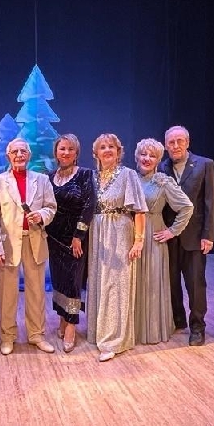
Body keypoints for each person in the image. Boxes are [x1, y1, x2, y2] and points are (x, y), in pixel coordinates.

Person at [0, 138, 58, 356]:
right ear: (8, 156)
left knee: (36, 292)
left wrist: (42, 215)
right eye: (15, 152)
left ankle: (36, 334)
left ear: (29, 155)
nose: (19, 155)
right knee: (7, 293)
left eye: (23, 151)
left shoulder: (42, 180)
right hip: (8, 244)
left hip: (35, 240)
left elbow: (51, 207)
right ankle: (7, 336)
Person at [85, 133, 148, 362]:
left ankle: (113, 340)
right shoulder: (91, 177)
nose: (107, 150)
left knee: (115, 285)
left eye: (111, 146)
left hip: (119, 233)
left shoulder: (128, 175)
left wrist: (139, 240)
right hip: (97, 234)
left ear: (119, 151)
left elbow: (139, 210)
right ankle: (98, 331)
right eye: (103, 147)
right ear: (96, 153)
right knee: (99, 282)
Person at [158, 125, 214, 346]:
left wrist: (208, 235)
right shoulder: (161, 167)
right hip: (168, 236)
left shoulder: (205, 164)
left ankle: (197, 327)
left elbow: (211, 202)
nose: (175, 146)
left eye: (179, 141)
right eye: (171, 142)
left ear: (187, 142)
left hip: (194, 237)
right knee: (171, 282)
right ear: (166, 145)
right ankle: (178, 320)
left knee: (195, 285)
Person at [134, 138, 194, 345]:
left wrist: (172, 231)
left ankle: (151, 330)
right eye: (143, 154)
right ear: (136, 156)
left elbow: (187, 207)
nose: (147, 158)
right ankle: (130, 330)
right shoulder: (128, 178)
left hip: (153, 236)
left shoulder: (163, 181)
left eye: (152, 156)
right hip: (129, 237)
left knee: (151, 284)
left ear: (158, 160)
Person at [47, 134, 96, 353]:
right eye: (62, 149)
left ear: (76, 153)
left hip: (75, 240)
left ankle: (71, 326)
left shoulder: (85, 174)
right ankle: (62, 317)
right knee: (59, 281)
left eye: (70, 149)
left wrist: (79, 236)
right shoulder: (49, 177)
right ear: (56, 152)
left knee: (74, 282)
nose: (65, 153)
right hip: (53, 239)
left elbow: (89, 206)